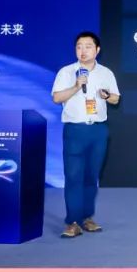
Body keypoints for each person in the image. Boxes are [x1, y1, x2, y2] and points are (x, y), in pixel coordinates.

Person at [51, 31, 120, 238]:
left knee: (91, 176)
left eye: (88, 46)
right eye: (79, 46)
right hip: (75, 130)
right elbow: (56, 98)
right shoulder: (66, 72)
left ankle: (87, 217)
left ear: (97, 50)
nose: (83, 50)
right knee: (73, 176)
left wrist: (106, 96)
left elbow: (116, 99)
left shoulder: (106, 73)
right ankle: (72, 221)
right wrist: (76, 86)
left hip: (98, 130)